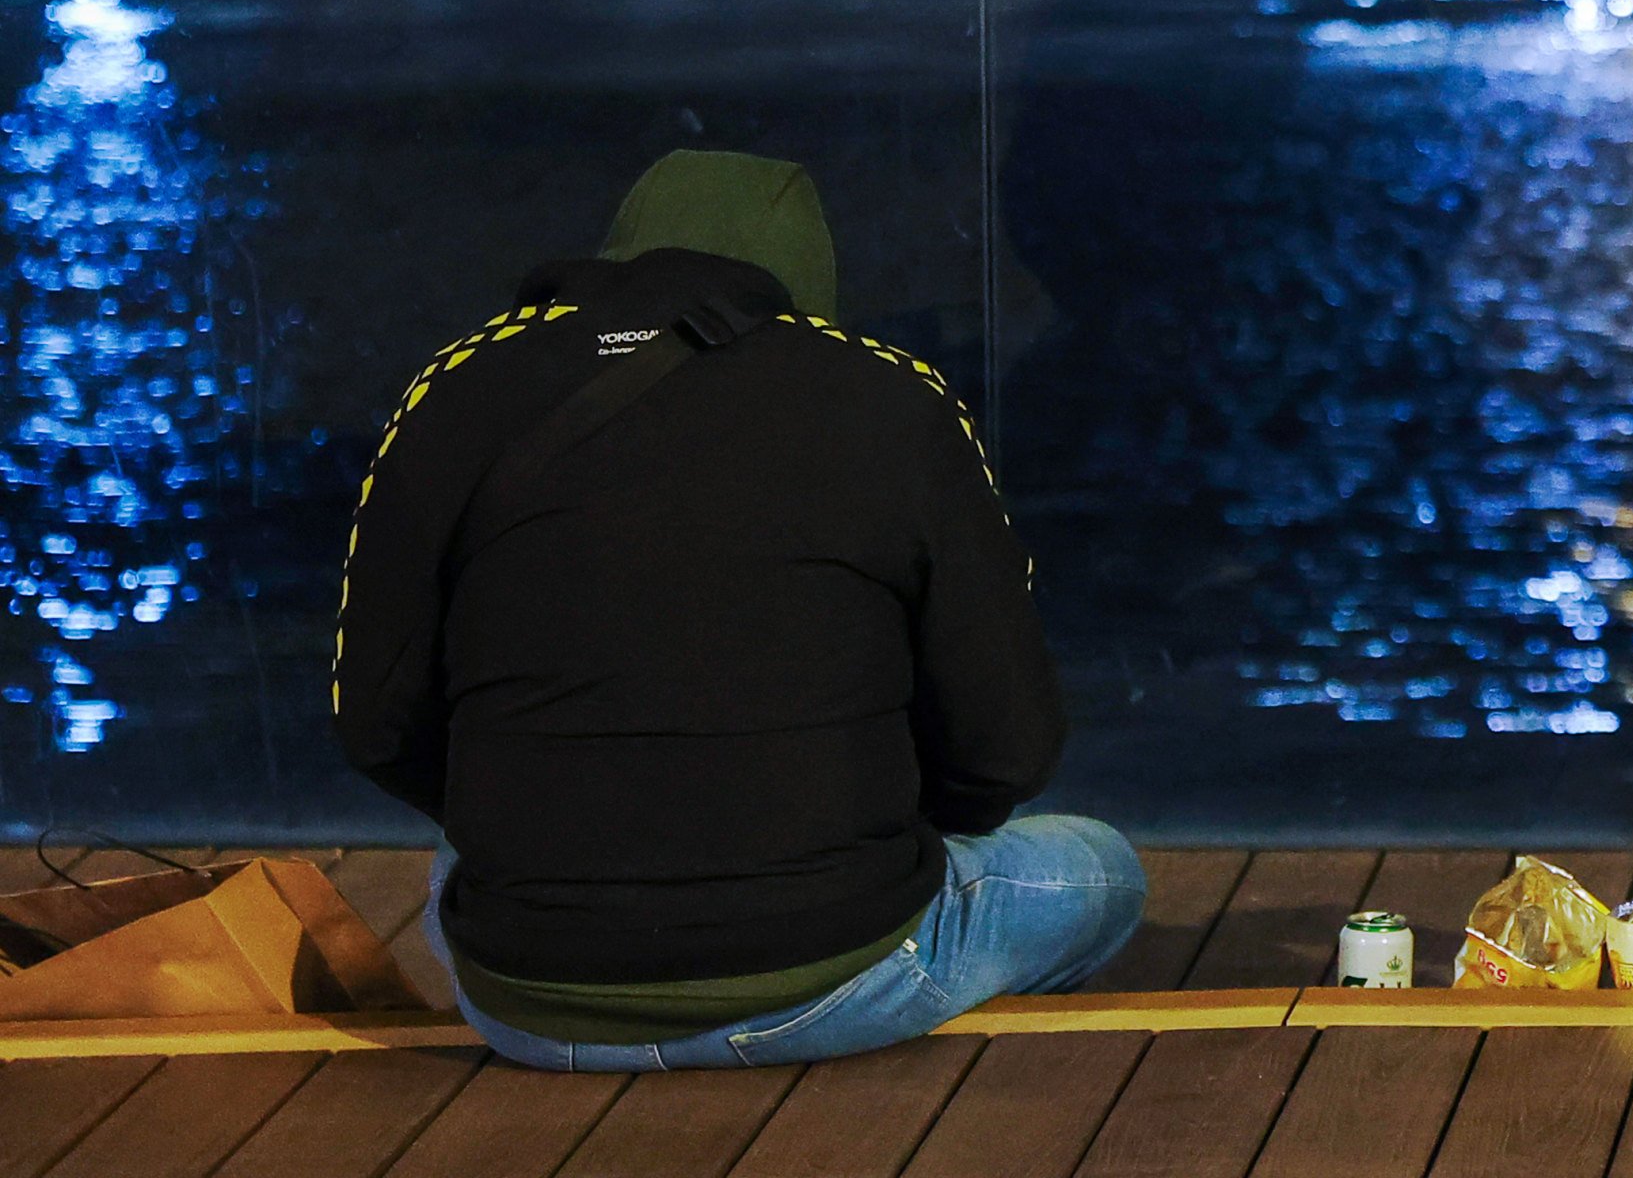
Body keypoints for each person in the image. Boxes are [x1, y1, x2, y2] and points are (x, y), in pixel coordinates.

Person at [335, 150, 1141, 1069]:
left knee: (474, 846)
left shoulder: (457, 386)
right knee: (1101, 867)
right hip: (828, 974)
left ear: (622, 252)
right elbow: (1008, 748)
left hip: (530, 999)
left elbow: (375, 727)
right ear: (805, 279)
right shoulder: (887, 397)